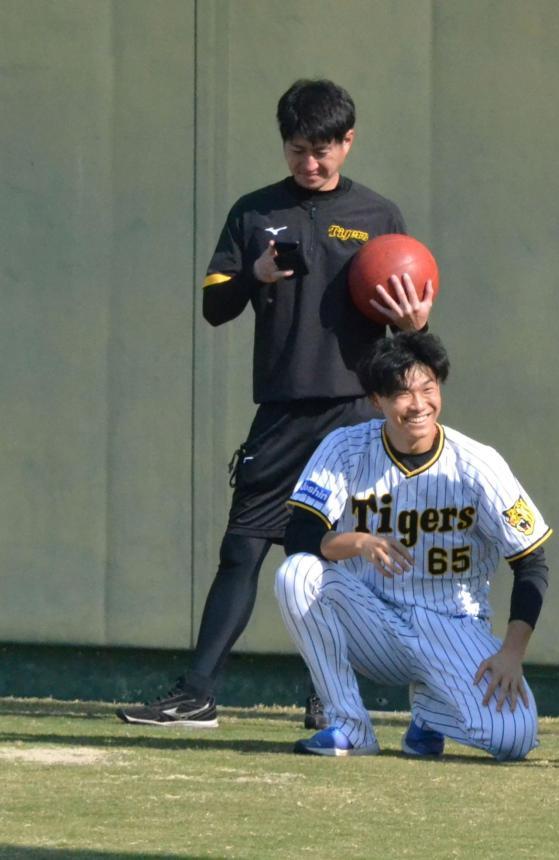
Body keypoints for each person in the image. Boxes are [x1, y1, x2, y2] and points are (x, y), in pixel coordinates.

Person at [117, 78, 433, 729]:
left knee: (331, 561)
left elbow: (410, 334)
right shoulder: (254, 212)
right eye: (297, 150)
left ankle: (329, 697)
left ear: (348, 142)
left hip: (355, 414)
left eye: (322, 150)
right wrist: (252, 276)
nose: (310, 164)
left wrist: (417, 322)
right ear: (284, 145)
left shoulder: (380, 216)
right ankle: (199, 692)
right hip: (284, 412)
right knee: (243, 549)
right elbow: (214, 307)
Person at [274, 331, 551, 759]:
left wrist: (512, 653)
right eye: (402, 393)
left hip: (453, 626)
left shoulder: (477, 463)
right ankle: (349, 725)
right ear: (376, 400)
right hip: (372, 619)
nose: (419, 404)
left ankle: (431, 710)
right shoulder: (347, 448)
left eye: (428, 388)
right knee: (296, 574)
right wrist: (359, 542)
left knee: (513, 739)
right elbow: (300, 534)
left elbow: (532, 562)